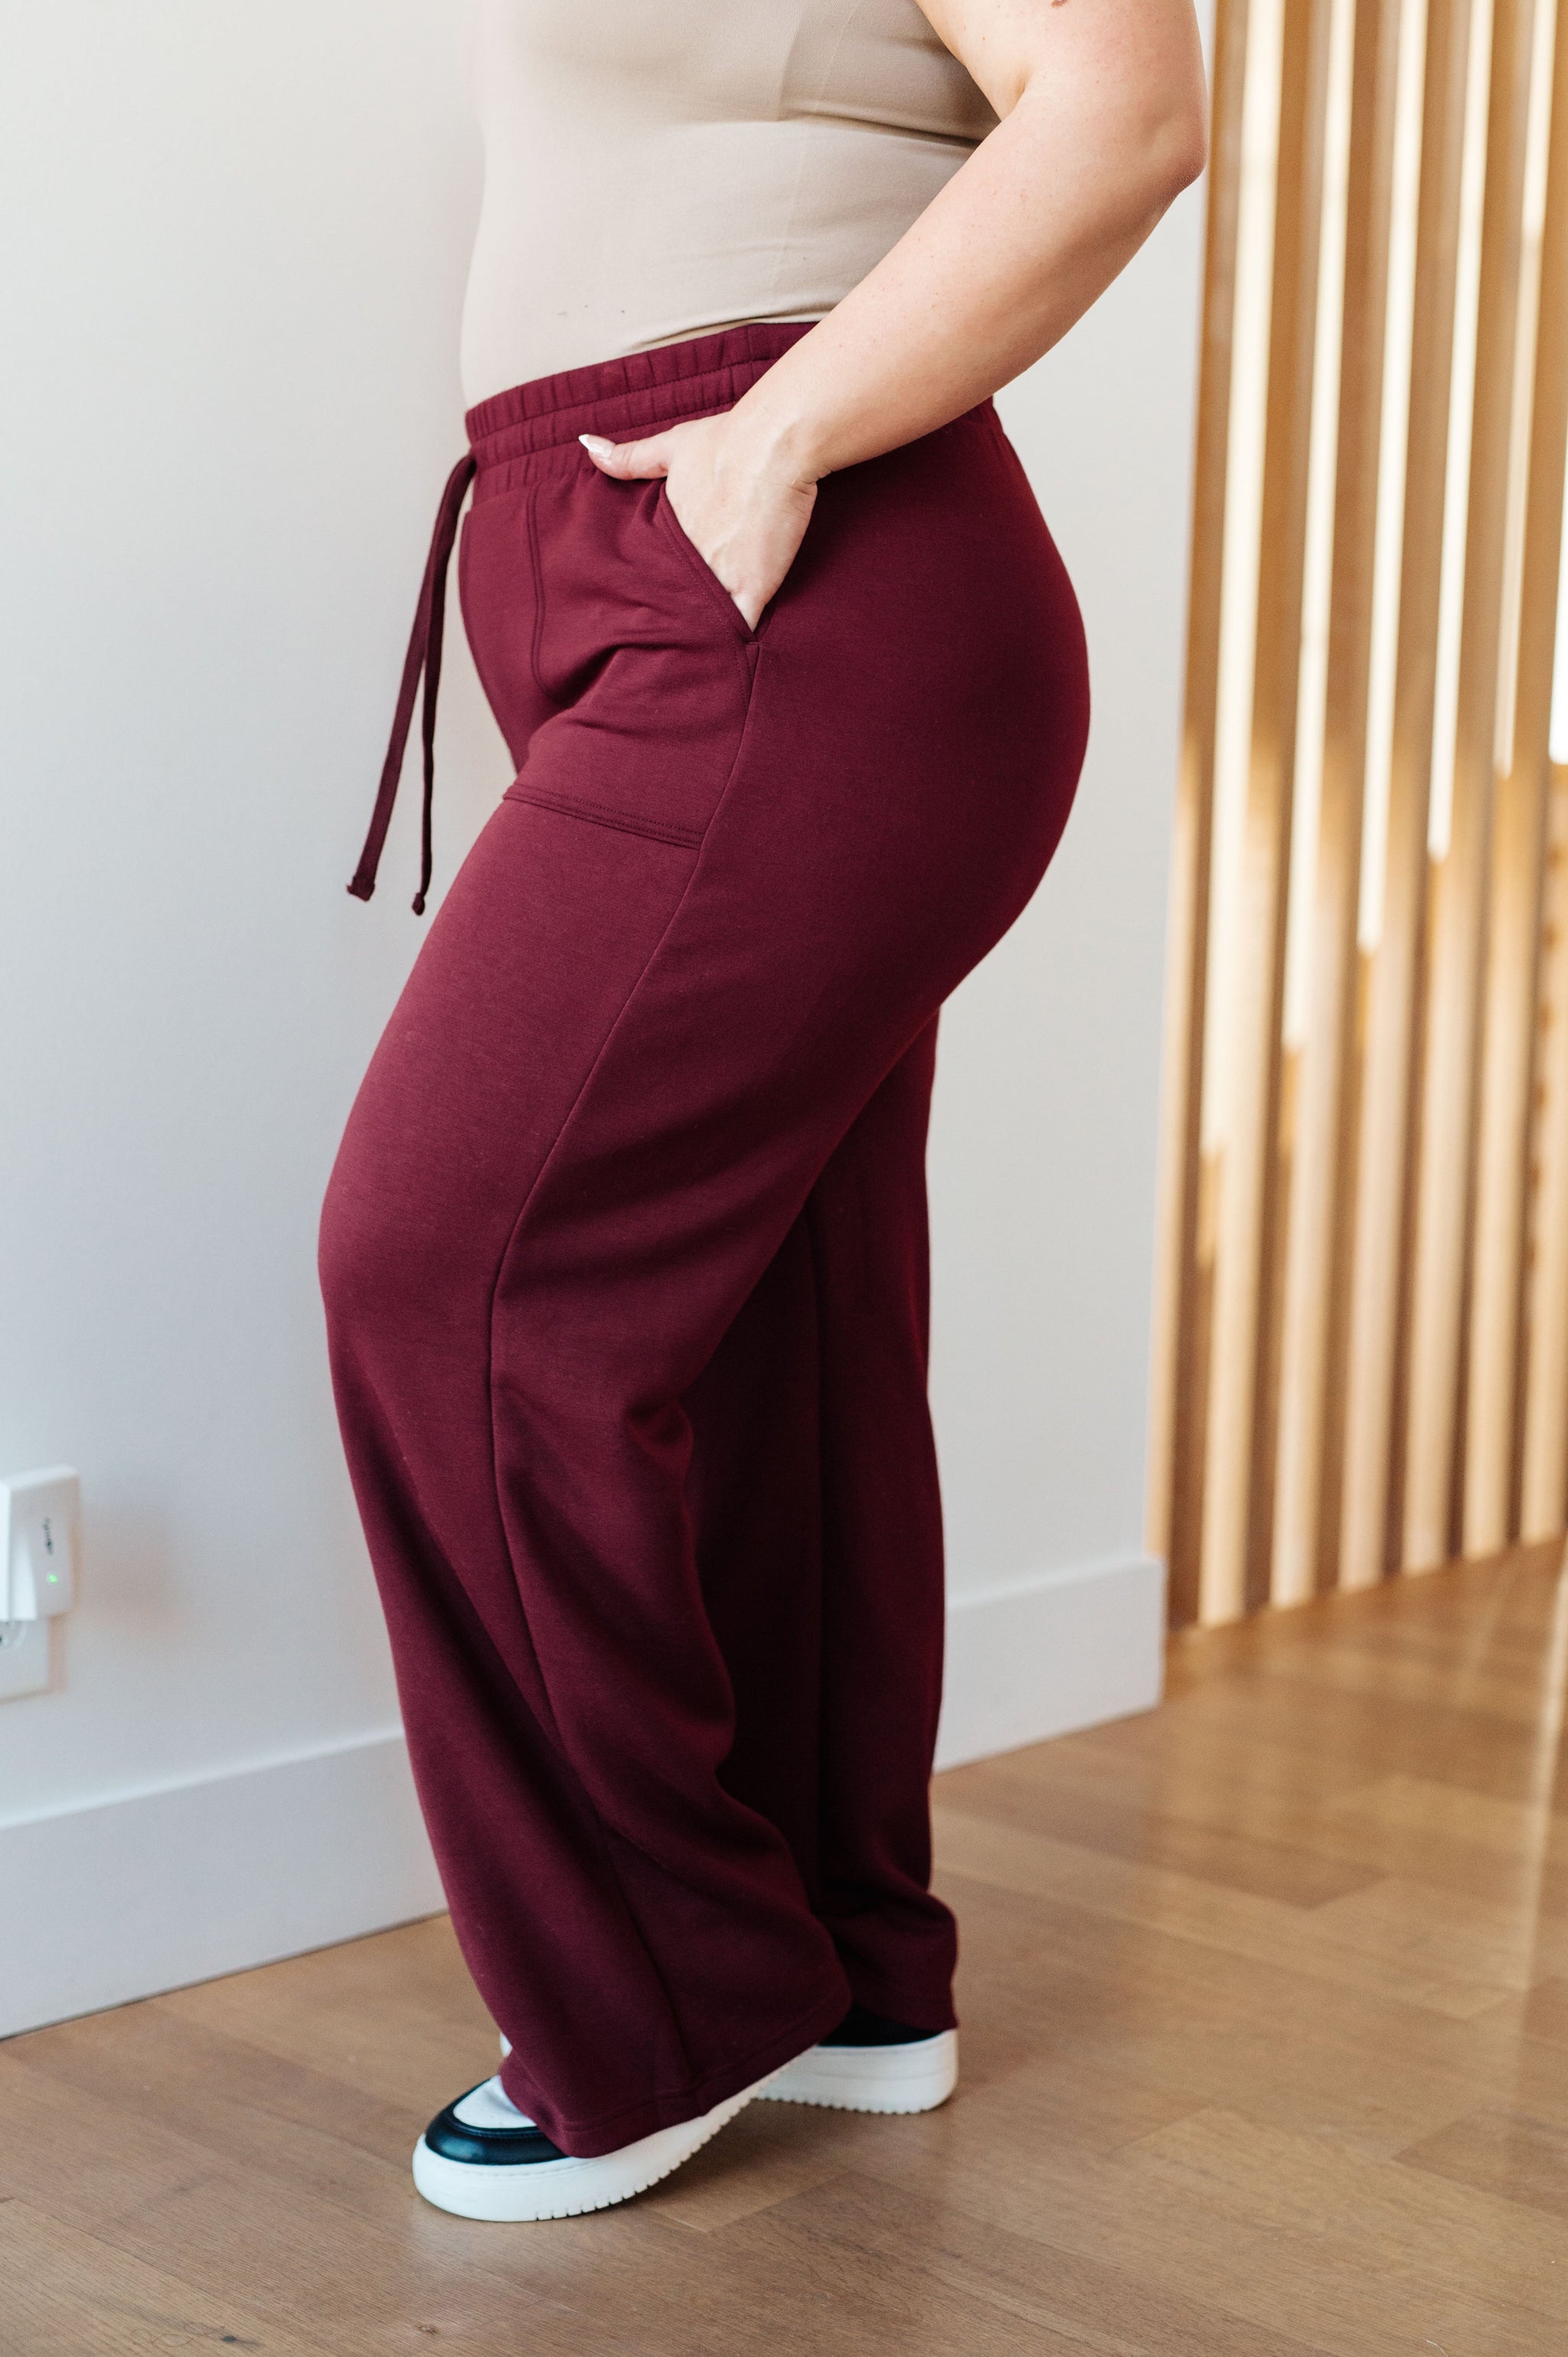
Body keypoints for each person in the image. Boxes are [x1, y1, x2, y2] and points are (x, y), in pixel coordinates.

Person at [318, 0, 1205, 2224]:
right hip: (639, 569)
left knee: (451, 1273)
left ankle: (660, 1999)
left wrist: (779, 436)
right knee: (778, 1325)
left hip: (805, 568)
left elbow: (1125, 105)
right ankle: (840, 1966)